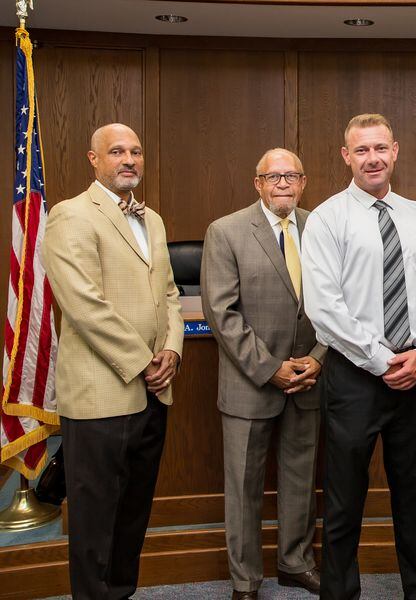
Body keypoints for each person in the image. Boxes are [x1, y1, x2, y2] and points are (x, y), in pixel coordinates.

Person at [301, 113, 416, 600]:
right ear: (346, 156)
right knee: (345, 501)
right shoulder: (328, 218)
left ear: (396, 151)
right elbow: (324, 307)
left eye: (380, 148)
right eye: (362, 150)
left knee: (414, 497)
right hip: (355, 377)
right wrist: (380, 359)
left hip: (415, 374)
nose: (373, 158)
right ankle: (341, 593)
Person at [41, 123, 184, 599]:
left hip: (155, 389)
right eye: (117, 151)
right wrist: (143, 359)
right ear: (93, 159)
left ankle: (121, 592)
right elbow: (83, 303)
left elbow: (168, 293)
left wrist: (172, 350)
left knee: (132, 512)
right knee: (95, 516)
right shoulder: (71, 215)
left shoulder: (154, 220)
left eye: (136, 151)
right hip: (101, 393)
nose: (129, 159)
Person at [201, 148, 326, 600]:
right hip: (250, 384)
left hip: (309, 379)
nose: (282, 184)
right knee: (243, 487)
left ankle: (295, 563)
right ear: (257, 183)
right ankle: (245, 581)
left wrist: (319, 357)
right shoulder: (227, 231)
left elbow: (340, 305)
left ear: (303, 181)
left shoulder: (321, 228)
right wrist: (271, 369)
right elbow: (222, 314)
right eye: (273, 176)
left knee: (300, 479)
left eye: (291, 175)